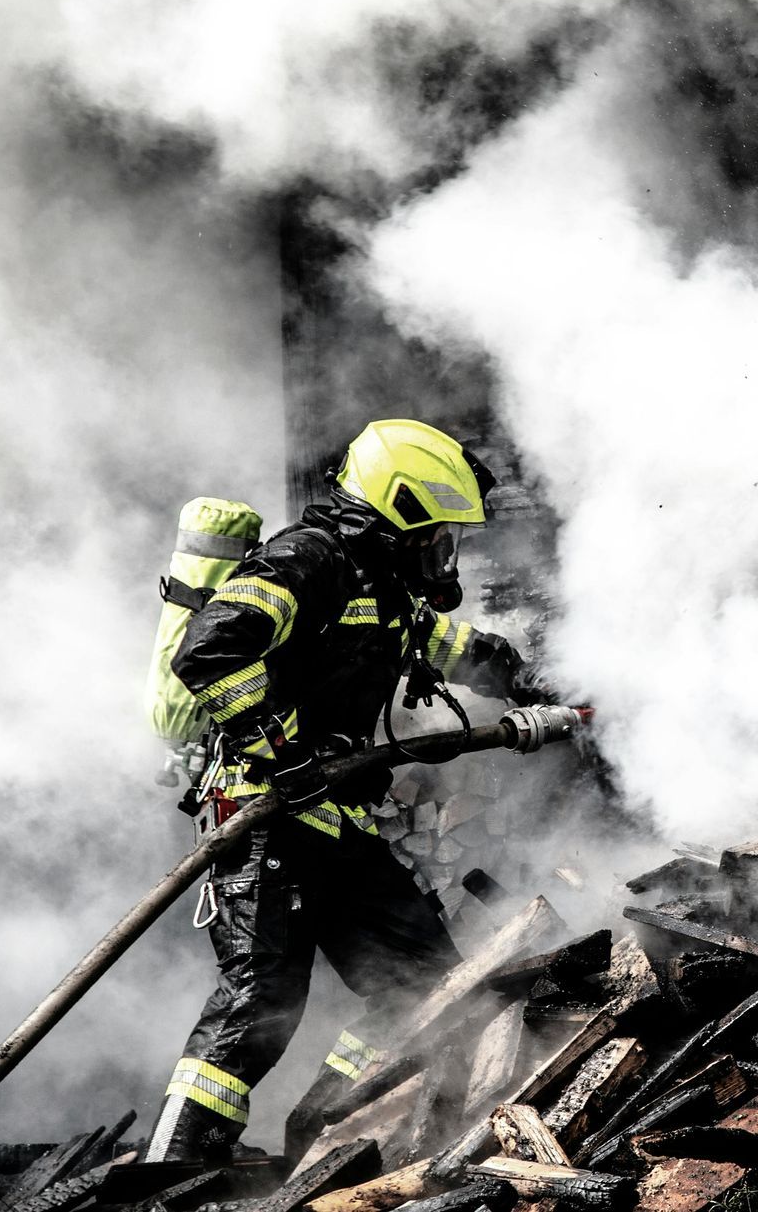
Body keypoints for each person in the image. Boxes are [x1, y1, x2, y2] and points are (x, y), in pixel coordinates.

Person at [146, 418, 549, 1164]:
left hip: (330, 820)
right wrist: (282, 751)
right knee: (261, 1000)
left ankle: (327, 1132)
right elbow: (210, 649)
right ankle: (167, 1168)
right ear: (396, 511)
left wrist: (523, 675)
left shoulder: (382, 585)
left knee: (423, 980)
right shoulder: (307, 561)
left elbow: (438, 645)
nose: (444, 553)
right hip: (262, 817)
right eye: (437, 535)